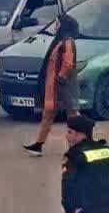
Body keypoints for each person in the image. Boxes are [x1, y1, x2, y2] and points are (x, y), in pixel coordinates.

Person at [25, 15, 80, 156]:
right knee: (48, 115)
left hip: (63, 86)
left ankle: (80, 147)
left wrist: (60, 78)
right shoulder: (60, 40)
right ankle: (38, 145)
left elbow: (68, 63)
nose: (55, 26)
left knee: (73, 116)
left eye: (57, 24)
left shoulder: (67, 42)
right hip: (54, 87)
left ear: (64, 26)